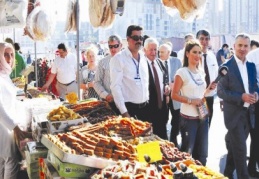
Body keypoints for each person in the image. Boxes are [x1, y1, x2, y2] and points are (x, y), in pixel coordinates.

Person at [217, 33, 258, 179]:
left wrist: (256, 94)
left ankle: (227, 173)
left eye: (245, 46)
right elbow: (221, 91)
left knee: (235, 148)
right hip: (234, 115)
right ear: (234, 46)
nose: (242, 48)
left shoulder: (252, 66)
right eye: (239, 45)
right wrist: (241, 97)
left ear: (248, 48)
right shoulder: (225, 67)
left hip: (250, 114)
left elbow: (255, 86)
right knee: (241, 149)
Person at [171, 39, 217, 166]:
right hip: (188, 119)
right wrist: (191, 101)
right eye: (194, 52)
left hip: (202, 116)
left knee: (202, 153)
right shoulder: (182, 72)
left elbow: (201, 96)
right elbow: (174, 95)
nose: (197, 55)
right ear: (187, 54)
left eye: (199, 52)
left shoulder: (201, 72)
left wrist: (209, 90)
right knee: (187, 152)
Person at [0, 42, 30, 179]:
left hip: (7, 129)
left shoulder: (4, 75)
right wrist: (15, 128)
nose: (10, 59)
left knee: (3, 164)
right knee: (11, 162)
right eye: (5, 54)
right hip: (5, 131)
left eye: (11, 55)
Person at [110, 25, 149, 121]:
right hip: (129, 109)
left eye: (141, 38)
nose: (139, 41)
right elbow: (115, 87)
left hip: (145, 107)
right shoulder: (118, 58)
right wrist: (124, 112)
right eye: (136, 38)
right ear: (128, 39)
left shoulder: (144, 57)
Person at [144, 37, 169, 139]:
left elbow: (165, 80)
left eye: (155, 50)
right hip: (148, 111)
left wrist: (167, 87)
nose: (154, 52)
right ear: (145, 50)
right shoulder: (142, 65)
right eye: (151, 50)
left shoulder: (160, 63)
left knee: (163, 140)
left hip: (162, 110)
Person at [159, 43, 182, 146]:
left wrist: (174, 85)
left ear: (169, 53)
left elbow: (182, 76)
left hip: (175, 96)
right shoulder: (156, 62)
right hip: (162, 96)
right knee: (163, 119)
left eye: (162, 52)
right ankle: (164, 141)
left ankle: (173, 139)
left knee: (176, 119)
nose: (160, 54)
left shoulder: (177, 62)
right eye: (159, 52)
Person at [94, 35, 122, 114]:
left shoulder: (127, 61)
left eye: (116, 46)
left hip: (125, 101)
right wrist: (106, 95)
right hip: (108, 103)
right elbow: (97, 82)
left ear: (121, 46)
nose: (113, 49)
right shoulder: (102, 62)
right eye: (110, 47)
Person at [196, 29, 218, 127]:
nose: (204, 42)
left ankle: (204, 141)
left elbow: (217, 75)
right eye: (201, 39)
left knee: (208, 122)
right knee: (201, 123)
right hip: (199, 97)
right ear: (196, 39)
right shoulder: (194, 56)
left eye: (206, 39)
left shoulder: (212, 56)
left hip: (210, 96)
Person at [246, 46, 259, 178]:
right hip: (256, 101)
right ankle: (251, 166)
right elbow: (251, 82)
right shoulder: (253, 56)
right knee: (256, 136)